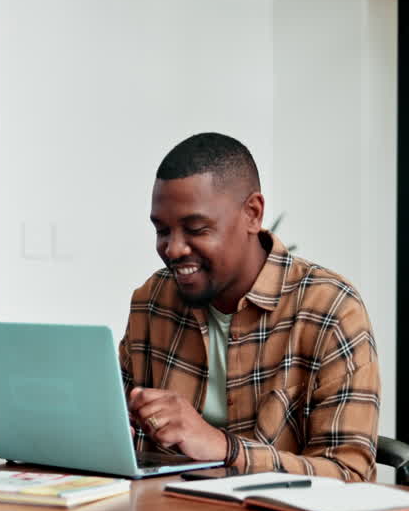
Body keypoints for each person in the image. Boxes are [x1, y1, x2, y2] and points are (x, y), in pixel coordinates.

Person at [120, 133, 379, 481]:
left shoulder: (330, 310)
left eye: (196, 228)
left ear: (252, 214)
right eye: (162, 230)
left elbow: (350, 476)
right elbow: (118, 436)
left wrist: (225, 448)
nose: (173, 249)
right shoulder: (151, 302)